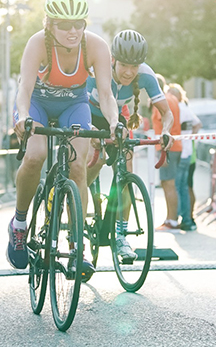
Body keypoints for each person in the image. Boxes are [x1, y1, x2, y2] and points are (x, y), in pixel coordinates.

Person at [6, 0, 121, 279]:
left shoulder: (95, 46)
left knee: (77, 167)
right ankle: (19, 226)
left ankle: (76, 245)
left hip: (74, 105)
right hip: (37, 104)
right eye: (64, 25)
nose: (73, 31)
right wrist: (25, 117)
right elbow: (24, 89)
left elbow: (106, 94)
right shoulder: (37, 44)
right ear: (49, 24)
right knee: (36, 155)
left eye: (78, 24)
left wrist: (115, 122)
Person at [85, 30, 175, 258]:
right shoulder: (96, 70)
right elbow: (77, 103)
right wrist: (93, 133)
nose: (128, 72)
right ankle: (76, 199)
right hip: (88, 113)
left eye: (134, 66)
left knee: (125, 172)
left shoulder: (146, 75)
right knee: (92, 163)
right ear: (113, 59)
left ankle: (121, 236)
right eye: (124, 64)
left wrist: (165, 131)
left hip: (119, 117)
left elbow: (167, 113)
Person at [167, 83, 202, 231]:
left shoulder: (176, 108)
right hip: (187, 151)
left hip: (179, 150)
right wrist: (190, 138)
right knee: (184, 187)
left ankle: (181, 218)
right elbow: (198, 124)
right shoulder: (186, 108)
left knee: (177, 186)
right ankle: (187, 219)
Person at [152, 74, 183, 232]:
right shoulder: (172, 98)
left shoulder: (161, 101)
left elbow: (165, 123)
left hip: (167, 147)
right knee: (170, 184)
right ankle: (171, 219)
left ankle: (172, 221)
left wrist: (162, 150)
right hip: (174, 145)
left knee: (168, 184)